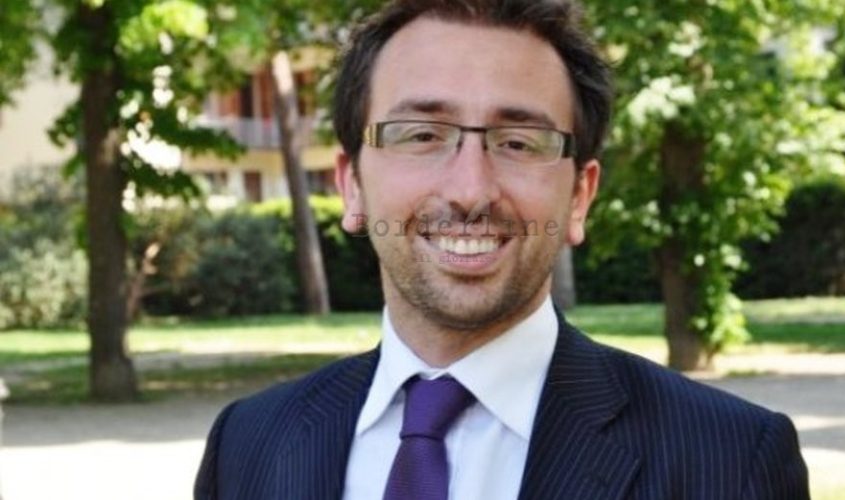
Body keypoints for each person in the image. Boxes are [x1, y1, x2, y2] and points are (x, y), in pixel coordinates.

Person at [195, 0, 810, 498]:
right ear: (351, 183)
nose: (470, 190)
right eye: (422, 134)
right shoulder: (248, 445)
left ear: (579, 197)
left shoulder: (731, 461)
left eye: (518, 142)